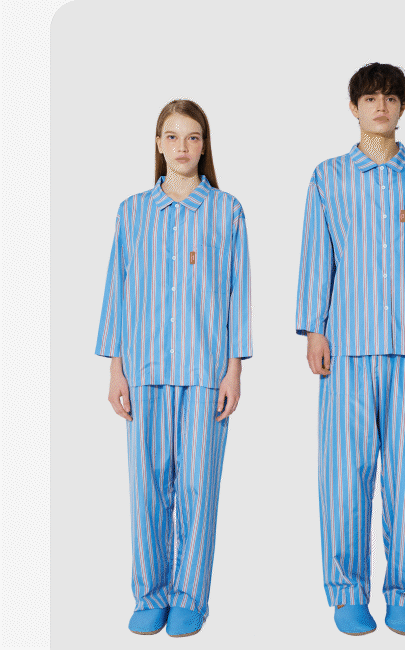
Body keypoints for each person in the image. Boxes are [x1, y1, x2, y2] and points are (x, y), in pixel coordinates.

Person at [295, 62, 405, 637]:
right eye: (370, 98)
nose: (381, 107)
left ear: (403, 107)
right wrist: (314, 329)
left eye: (391, 98)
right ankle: (347, 592)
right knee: (345, 475)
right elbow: (317, 255)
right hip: (346, 347)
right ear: (354, 107)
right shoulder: (328, 176)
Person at [96, 99, 252, 637]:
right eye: (172, 136)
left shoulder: (227, 210)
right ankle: (150, 593)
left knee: (198, 490)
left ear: (204, 145)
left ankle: (189, 597)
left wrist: (234, 370)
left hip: (206, 371)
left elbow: (237, 295)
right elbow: (118, 291)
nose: (182, 147)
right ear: (158, 144)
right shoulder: (132, 211)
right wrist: (116, 370)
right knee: (147, 488)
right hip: (144, 370)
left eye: (192, 137)